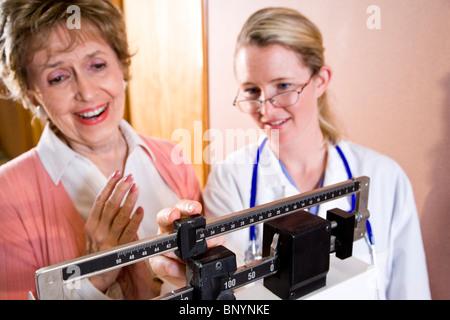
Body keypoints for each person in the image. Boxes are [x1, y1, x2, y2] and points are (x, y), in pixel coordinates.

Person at [201, 7, 431, 300]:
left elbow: (411, 292)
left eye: (283, 86)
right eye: (251, 90)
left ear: (320, 80)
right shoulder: (229, 179)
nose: (266, 109)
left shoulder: (385, 177)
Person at [0, 0, 201, 300]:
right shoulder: (5, 194)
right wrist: (89, 281)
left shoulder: (175, 158)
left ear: (121, 64)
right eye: (58, 77)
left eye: (97, 65)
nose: (87, 91)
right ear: (32, 93)